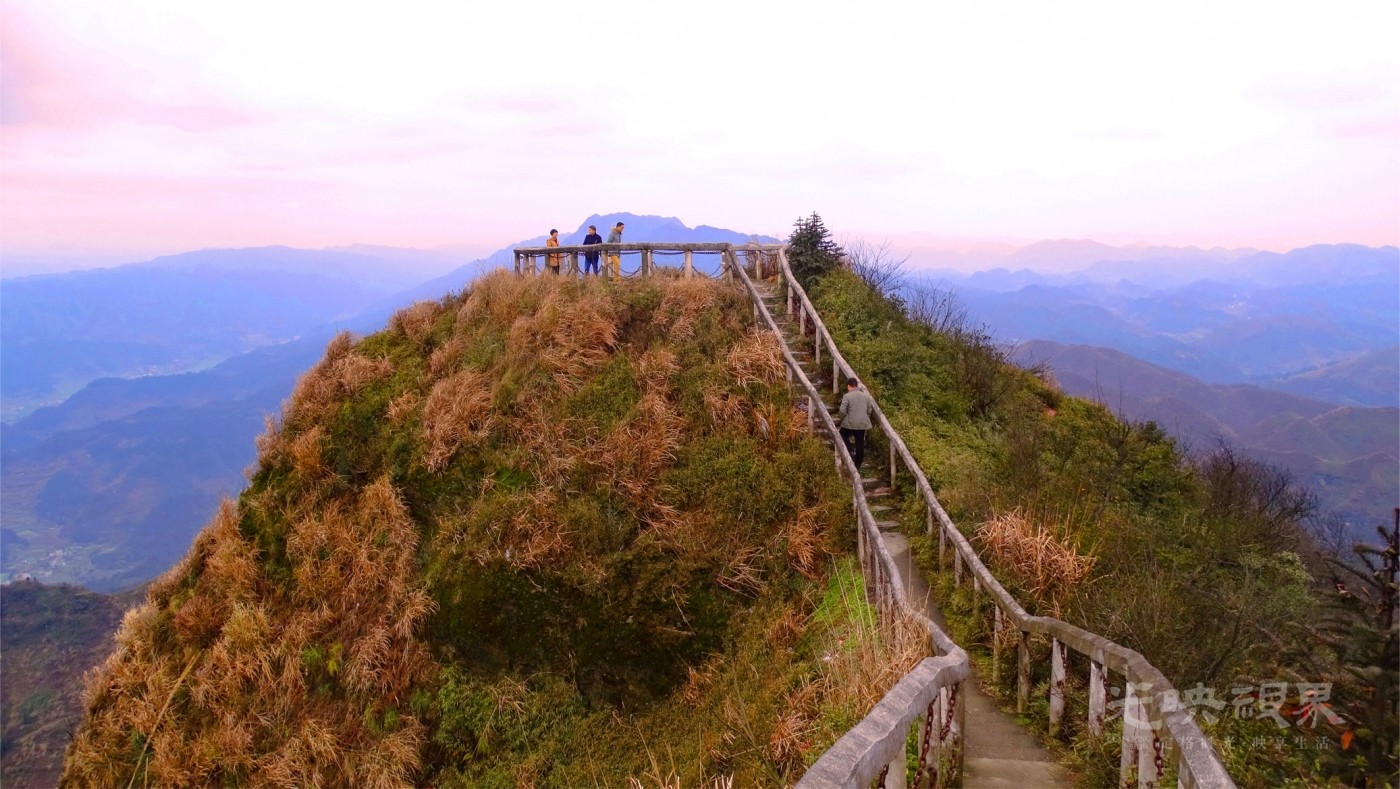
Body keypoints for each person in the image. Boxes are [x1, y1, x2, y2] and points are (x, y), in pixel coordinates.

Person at [838, 377, 874, 468]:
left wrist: (842, 418)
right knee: (860, 442)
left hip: (849, 423)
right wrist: (865, 418)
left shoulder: (847, 396)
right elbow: (869, 410)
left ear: (849, 386)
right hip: (862, 423)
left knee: (842, 435)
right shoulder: (866, 396)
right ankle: (857, 465)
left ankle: (850, 450)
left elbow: (842, 411)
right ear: (856, 386)